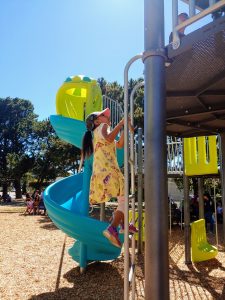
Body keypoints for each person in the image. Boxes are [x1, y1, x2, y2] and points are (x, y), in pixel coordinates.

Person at [82, 108, 137, 248]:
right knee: (124, 198)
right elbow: (110, 138)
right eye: (104, 115)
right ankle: (112, 228)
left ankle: (125, 224)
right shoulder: (103, 127)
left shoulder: (97, 133)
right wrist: (120, 124)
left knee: (122, 199)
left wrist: (124, 128)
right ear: (97, 121)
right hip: (109, 171)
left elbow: (119, 145)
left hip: (102, 172)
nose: (107, 117)